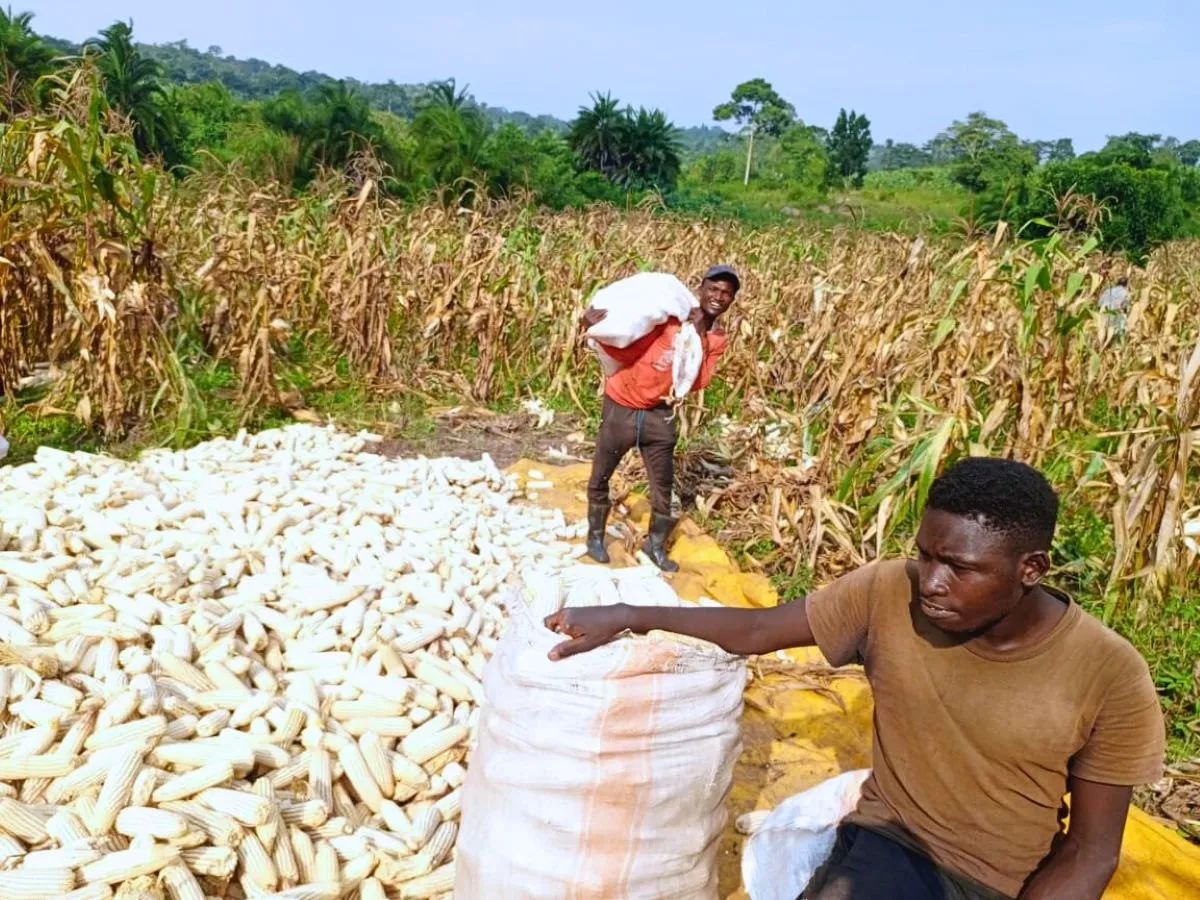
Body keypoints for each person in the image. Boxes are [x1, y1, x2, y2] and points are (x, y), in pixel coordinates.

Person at [546, 457, 1164, 900]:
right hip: (891, 843)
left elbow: (1091, 850)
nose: (931, 581)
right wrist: (631, 615)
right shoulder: (886, 593)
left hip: (993, 880)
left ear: (1030, 569)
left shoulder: (1107, 673)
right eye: (925, 553)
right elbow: (761, 631)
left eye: (959, 567)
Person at [579, 265, 740, 571]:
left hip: (659, 415)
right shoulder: (668, 320)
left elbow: (698, 381)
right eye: (714, 289)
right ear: (701, 288)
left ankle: (655, 548)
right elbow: (625, 349)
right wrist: (590, 328)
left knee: (662, 486)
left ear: (731, 300)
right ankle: (596, 538)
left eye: (726, 293)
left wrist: (700, 336)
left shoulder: (716, 338)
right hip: (621, 407)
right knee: (601, 474)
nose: (718, 297)